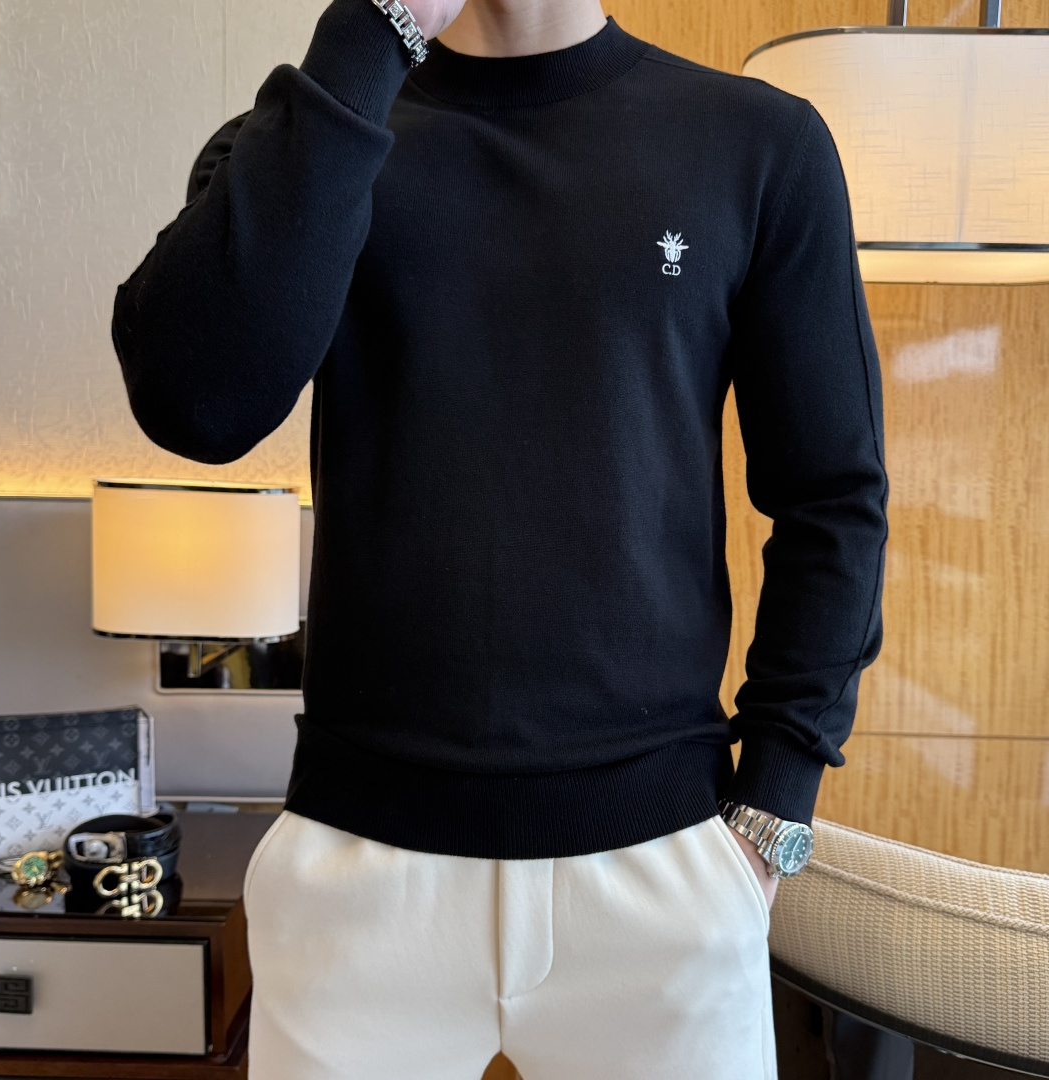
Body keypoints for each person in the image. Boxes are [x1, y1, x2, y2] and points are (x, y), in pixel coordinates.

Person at [110, 0, 889, 1076]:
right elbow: (195, 403)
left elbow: (835, 498)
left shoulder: (760, 143)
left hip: (662, 871)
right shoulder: (315, 130)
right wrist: (378, 27)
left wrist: (772, 814)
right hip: (357, 873)